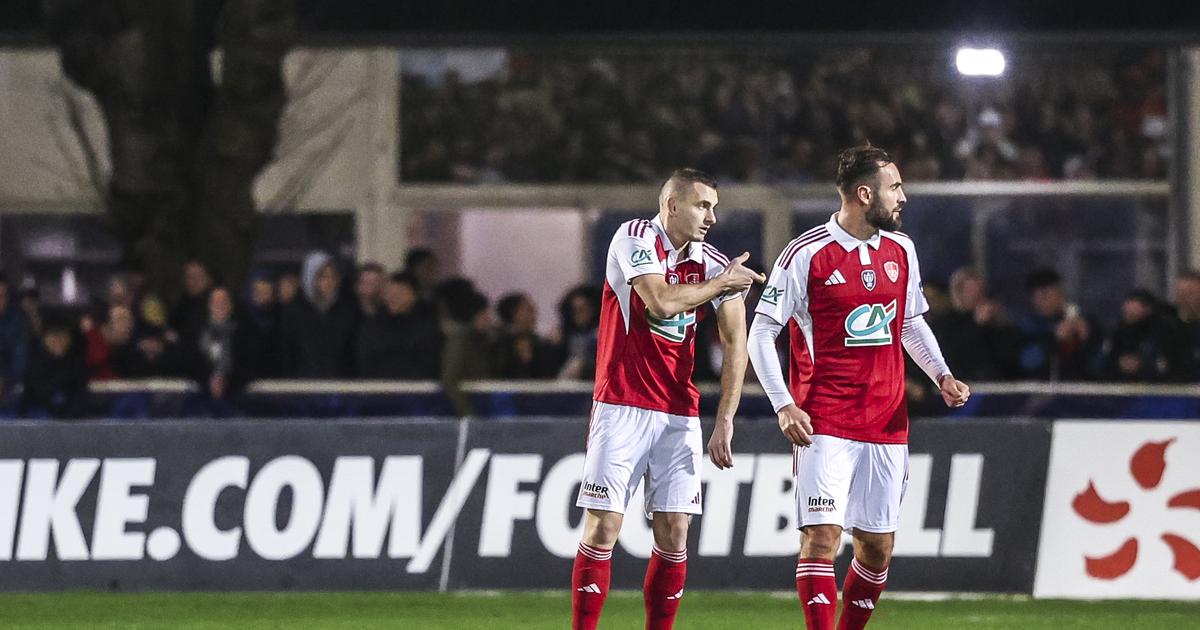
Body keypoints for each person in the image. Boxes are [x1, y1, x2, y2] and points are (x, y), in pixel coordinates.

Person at [747, 145, 969, 630]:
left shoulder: (901, 250)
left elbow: (908, 324)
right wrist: (784, 404)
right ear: (864, 195)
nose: (903, 197)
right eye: (895, 188)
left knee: (877, 545)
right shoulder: (805, 254)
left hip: (886, 422)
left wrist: (942, 374)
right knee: (822, 538)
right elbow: (761, 332)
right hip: (823, 419)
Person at [571, 168, 764, 630]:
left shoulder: (716, 261)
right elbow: (659, 301)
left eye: (715, 207)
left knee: (676, 532)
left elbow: (738, 343)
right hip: (621, 403)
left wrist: (726, 419)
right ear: (671, 205)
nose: (712, 217)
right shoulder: (634, 237)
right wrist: (720, 286)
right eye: (703, 205)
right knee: (604, 529)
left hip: (679, 412)